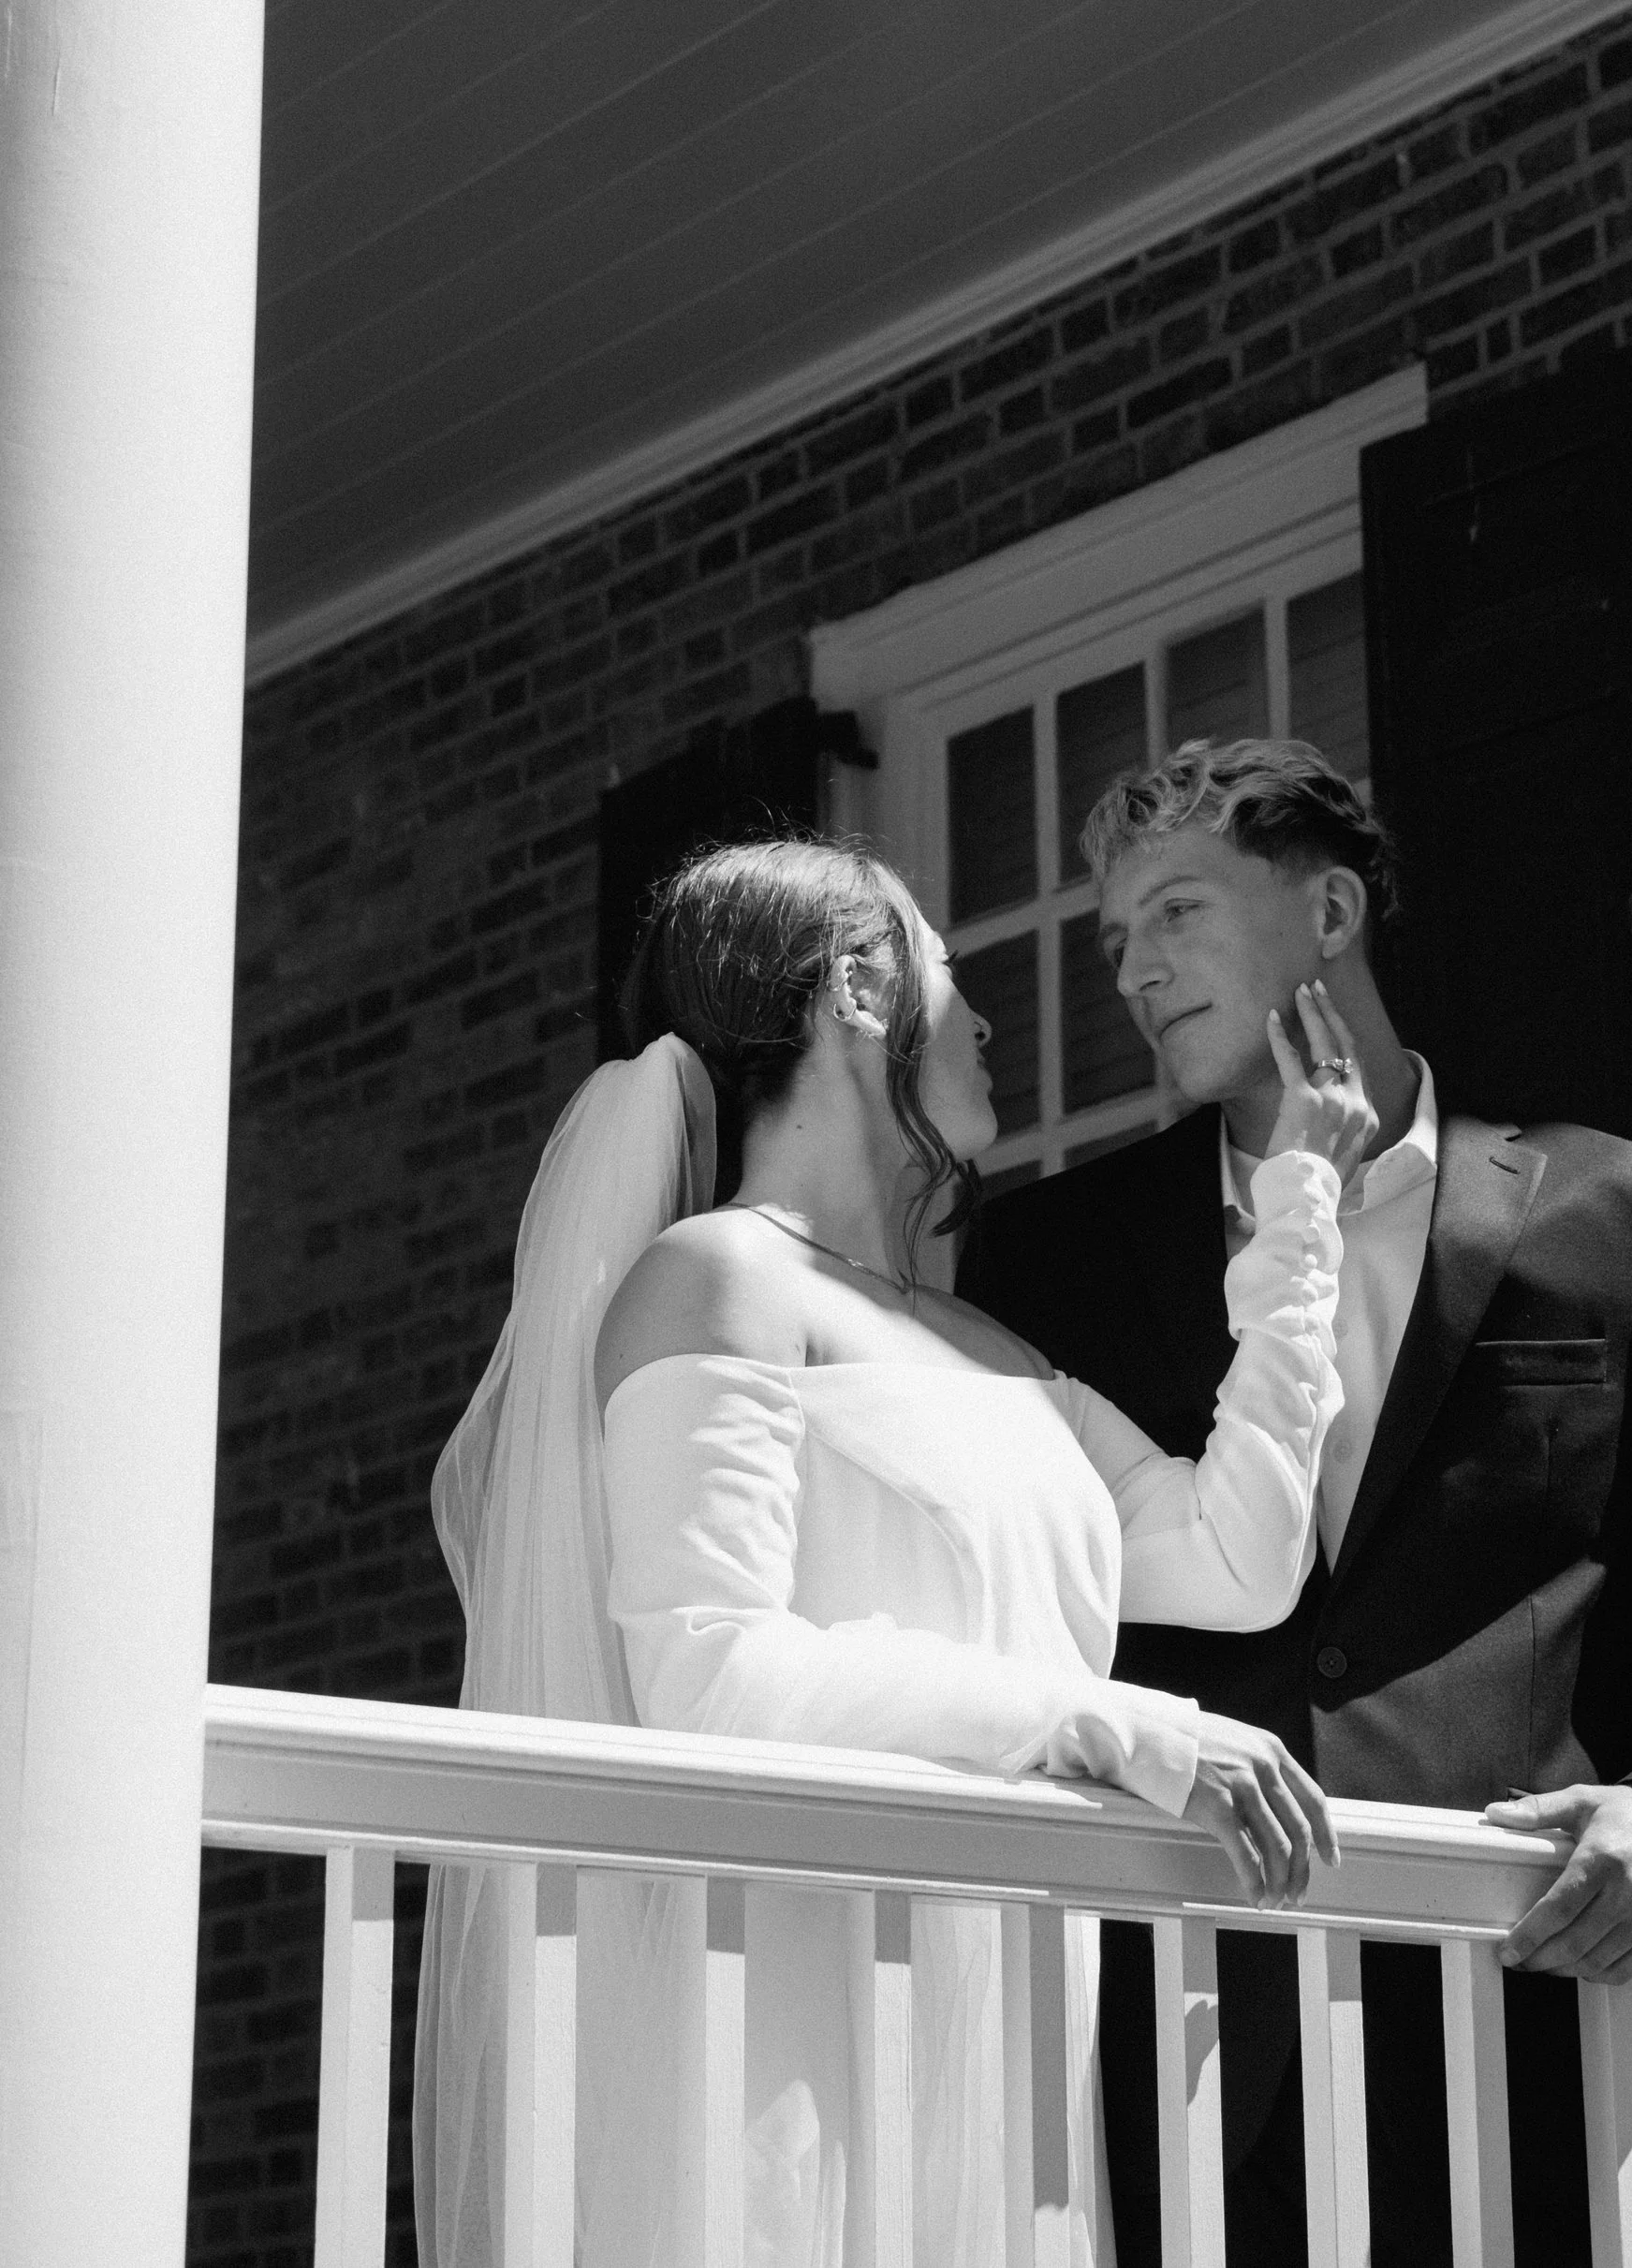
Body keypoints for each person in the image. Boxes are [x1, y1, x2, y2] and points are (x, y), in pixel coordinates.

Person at [413, 833, 1376, 2268]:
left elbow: (1240, 1554)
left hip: (1003, 2034)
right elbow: (713, 1671)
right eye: (949, 973)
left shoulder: (993, 1345)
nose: (985, 1021)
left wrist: (1300, 1206)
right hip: (801, 2046)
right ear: (860, 989)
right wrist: (1107, 1723)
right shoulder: (716, 1277)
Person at [964, 738, 1632, 2268]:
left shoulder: (1616, 1210)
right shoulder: (1053, 1259)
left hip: (1533, 2025)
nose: (1131, 968)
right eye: (1115, 939)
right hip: (1171, 2030)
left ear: (1329, 914)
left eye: (1175, 910)